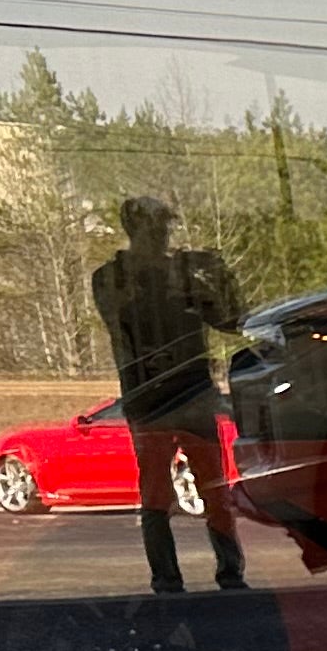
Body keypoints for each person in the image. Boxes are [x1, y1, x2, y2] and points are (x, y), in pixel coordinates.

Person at [89, 194, 244, 592]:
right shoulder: (112, 277)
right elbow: (119, 320)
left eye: (165, 225)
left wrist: (220, 276)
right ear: (134, 228)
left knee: (214, 490)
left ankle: (230, 573)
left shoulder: (183, 277)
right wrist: (171, 280)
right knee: (157, 496)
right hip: (150, 400)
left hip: (191, 395)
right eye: (154, 225)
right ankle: (166, 577)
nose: (162, 234)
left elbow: (231, 320)